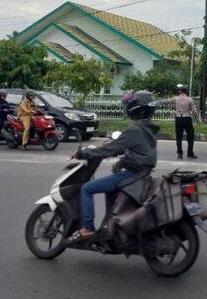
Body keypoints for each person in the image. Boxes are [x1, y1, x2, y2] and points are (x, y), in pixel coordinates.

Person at [64, 90, 160, 242]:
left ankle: (87, 228)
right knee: (110, 191)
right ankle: (110, 227)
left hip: (132, 174)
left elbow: (110, 148)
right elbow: (132, 148)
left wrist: (84, 153)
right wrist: (119, 156)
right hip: (142, 174)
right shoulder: (149, 129)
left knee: (87, 188)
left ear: (134, 108)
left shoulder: (135, 129)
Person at [157, 84, 199, 159]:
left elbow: (167, 101)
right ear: (185, 91)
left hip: (178, 119)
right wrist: (198, 119)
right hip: (187, 119)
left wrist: (158, 102)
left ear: (180, 91)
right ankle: (190, 153)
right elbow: (194, 111)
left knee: (179, 137)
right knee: (190, 136)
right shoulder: (190, 99)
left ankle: (180, 153)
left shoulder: (176, 98)